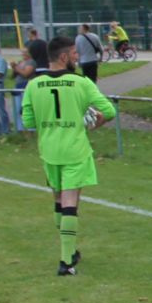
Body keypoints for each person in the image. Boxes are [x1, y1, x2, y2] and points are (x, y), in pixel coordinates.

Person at [22, 39, 118, 275]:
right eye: (74, 53)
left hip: (49, 150)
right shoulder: (81, 83)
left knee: (59, 200)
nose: (77, 57)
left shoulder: (33, 85)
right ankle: (66, 262)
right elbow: (109, 110)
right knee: (70, 201)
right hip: (74, 150)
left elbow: (28, 121)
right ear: (64, 57)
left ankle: (71, 251)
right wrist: (95, 122)